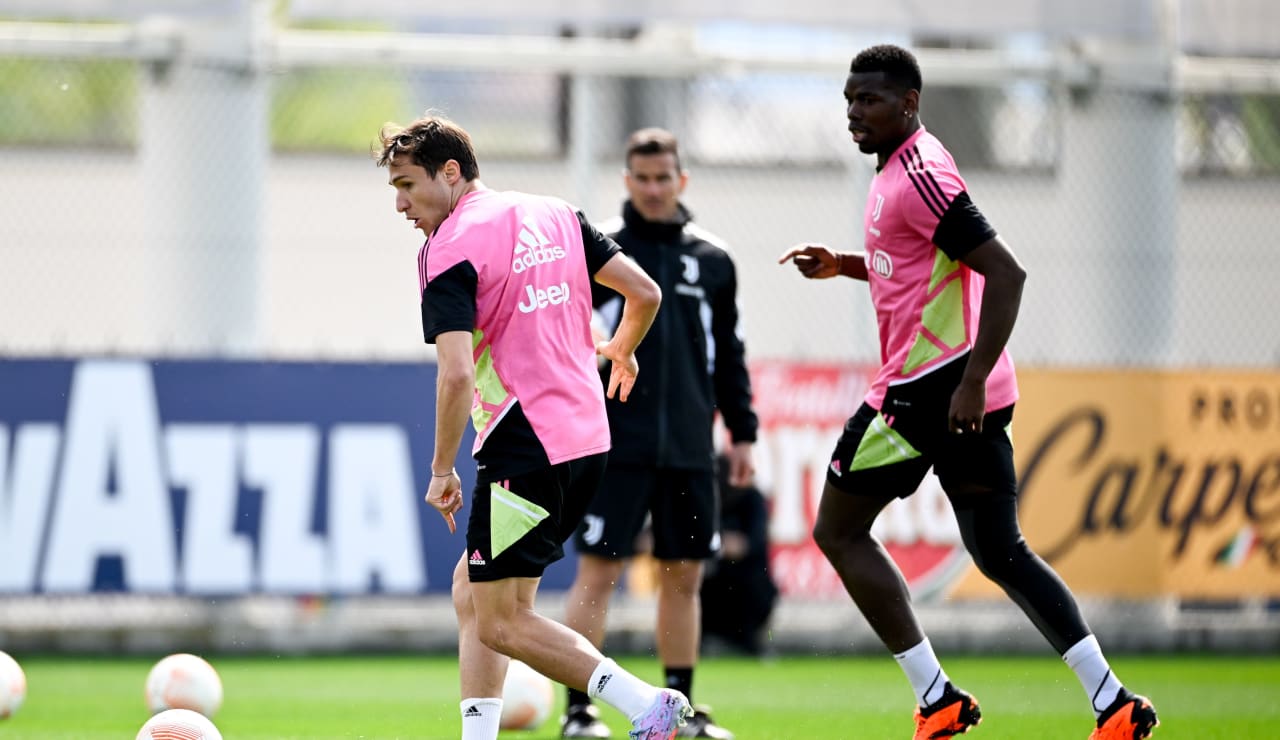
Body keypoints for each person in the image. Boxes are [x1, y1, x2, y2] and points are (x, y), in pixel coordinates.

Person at [779, 45, 1159, 740]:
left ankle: (936, 697)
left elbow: (1007, 274)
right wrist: (847, 267)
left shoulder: (919, 174)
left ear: (909, 103)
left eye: (869, 99)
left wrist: (972, 381)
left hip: (926, 393)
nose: (854, 112)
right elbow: (919, 267)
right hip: (957, 392)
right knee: (1000, 552)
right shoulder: (900, 170)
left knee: (837, 530)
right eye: (849, 99)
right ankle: (1114, 703)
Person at [376, 113, 692, 740]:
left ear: (450, 172)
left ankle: (646, 706)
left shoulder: (447, 250)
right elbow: (646, 293)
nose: (401, 205)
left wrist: (442, 469)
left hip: (525, 445)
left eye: (407, 186)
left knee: (500, 620)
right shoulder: (556, 212)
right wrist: (623, 348)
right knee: (476, 594)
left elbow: (457, 376)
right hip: (586, 439)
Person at [560, 128, 759, 740]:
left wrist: (743, 433)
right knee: (599, 572)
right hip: (613, 446)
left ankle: (682, 710)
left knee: (683, 577)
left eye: (662, 177)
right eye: (640, 179)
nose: (652, 188)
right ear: (627, 182)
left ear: (681, 180)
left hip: (690, 451)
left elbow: (729, 353)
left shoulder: (713, 261)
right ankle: (579, 712)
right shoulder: (601, 254)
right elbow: (571, 341)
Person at [699, 453, 779, 657]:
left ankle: (749, 642)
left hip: (747, 587)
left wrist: (712, 543)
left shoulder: (752, 500)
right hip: (713, 585)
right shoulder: (706, 501)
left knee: (755, 587)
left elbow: (747, 545)